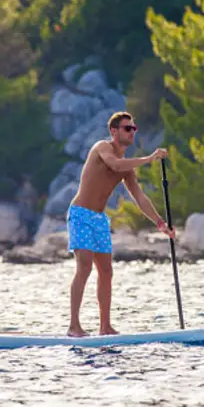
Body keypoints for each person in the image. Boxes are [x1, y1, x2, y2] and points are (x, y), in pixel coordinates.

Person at [65, 111, 175, 337]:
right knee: (84, 267)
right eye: (127, 128)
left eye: (134, 128)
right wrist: (149, 158)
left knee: (106, 271)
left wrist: (160, 222)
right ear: (114, 132)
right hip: (80, 215)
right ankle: (73, 326)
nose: (132, 132)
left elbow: (139, 197)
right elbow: (114, 165)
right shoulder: (102, 147)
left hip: (99, 219)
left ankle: (105, 326)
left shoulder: (128, 168)